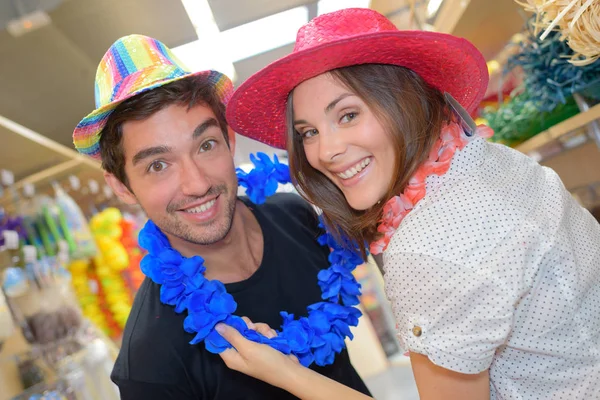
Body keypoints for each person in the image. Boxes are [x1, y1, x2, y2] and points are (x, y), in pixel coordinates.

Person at [222, 8, 600, 400]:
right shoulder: (488, 161)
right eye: (309, 132)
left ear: (403, 99)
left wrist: (287, 374)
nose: (326, 151)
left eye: (348, 115)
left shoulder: (427, 245)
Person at [71, 34, 370, 400]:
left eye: (205, 145)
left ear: (230, 140)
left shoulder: (295, 216)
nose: (196, 184)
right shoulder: (149, 363)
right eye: (158, 165)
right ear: (122, 187)